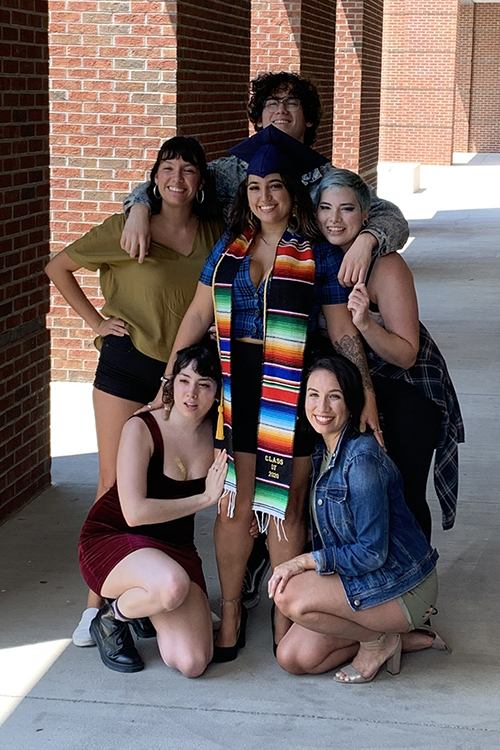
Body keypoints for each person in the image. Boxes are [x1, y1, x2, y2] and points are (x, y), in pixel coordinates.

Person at [144, 125, 383, 662]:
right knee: (233, 505)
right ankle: (230, 614)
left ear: (291, 193)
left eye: (275, 186)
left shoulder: (316, 254)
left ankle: (282, 611)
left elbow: (342, 329)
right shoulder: (227, 251)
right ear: (245, 195)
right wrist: (167, 379)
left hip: (291, 387)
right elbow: (196, 316)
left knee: (286, 511)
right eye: (255, 188)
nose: (265, 197)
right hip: (235, 386)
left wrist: (364, 392)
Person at [46, 136, 225, 646]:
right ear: (153, 177)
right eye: (167, 169)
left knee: (178, 477)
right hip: (129, 367)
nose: (177, 179)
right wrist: (95, 322)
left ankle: (160, 585)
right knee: (113, 483)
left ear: (201, 182)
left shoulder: (214, 231)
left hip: (188, 373)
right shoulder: (126, 228)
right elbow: (58, 266)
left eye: (188, 170)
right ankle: (97, 605)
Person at [121, 72, 409, 289]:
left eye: (292, 103)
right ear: (258, 119)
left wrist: (366, 240)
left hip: (314, 297)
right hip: (244, 293)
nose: (281, 110)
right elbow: (176, 183)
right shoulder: (230, 172)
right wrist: (138, 209)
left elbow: (392, 218)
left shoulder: (326, 179)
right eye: (271, 103)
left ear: (308, 119)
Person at [269, 355, 451, 683]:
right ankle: (394, 640)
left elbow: (371, 552)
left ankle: (375, 641)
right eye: (313, 394)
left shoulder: (361, 460)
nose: (321, 406)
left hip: (402, 584)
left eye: (334, 396)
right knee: (292, 657)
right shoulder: (319, 453)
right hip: (363, 579)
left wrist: (302, 563)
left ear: (351, 404)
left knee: (290, 596)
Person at [312, 168, 465, 539]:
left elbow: (407, 354)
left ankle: (416, 587)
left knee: (403, 490)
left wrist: (365, 324)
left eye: (347, 209)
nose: (334, 219)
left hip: (409, 385)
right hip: (352, 382)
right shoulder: (313, 258)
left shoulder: (387, 265)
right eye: (325, 208)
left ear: (366, 217)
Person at [78, 342, 227, 675]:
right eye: (184, 380)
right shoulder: (141, 427)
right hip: (116, 538)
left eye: (204, 385)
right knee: (171, 586)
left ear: (217, 393)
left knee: (192, 662)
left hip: (174, 548)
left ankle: (147, 605)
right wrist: (204, 499)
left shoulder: (218, 436)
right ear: (170, 383)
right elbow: (135, 513)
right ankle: (112, 617)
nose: (192, 393)